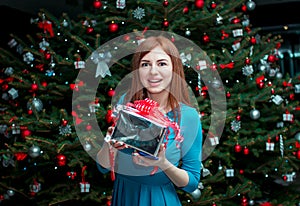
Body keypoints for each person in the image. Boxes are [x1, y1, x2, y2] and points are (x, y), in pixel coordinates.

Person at [96, 35, 203, 206]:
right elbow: (102, 167)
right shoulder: (126, 102)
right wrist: (110, 143)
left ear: (174, 70)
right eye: (145, 64)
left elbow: (191, 183)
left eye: (162, 63)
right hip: (123, 197)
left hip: (159, 199)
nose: (153, 71)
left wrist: (163, 164)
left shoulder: (188, 117)